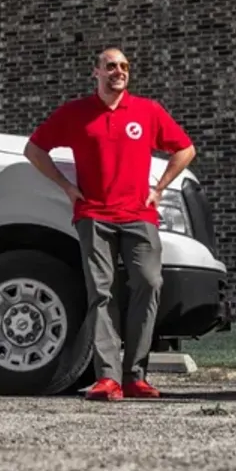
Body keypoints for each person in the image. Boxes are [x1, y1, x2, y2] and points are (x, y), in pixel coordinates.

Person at [24, 47, 196, 401]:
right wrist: (68, 188)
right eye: (111, 66)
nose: (119, 71)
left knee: (149, 283)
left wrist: (159, 188)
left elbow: (185, 149)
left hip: (139, 216)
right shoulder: (76, 114)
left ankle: (136, 375)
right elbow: (34, 149)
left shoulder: (148, 111)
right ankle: (108, 379)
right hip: (93, 216)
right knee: (100, 293)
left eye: (124, 66)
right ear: (96, 73)